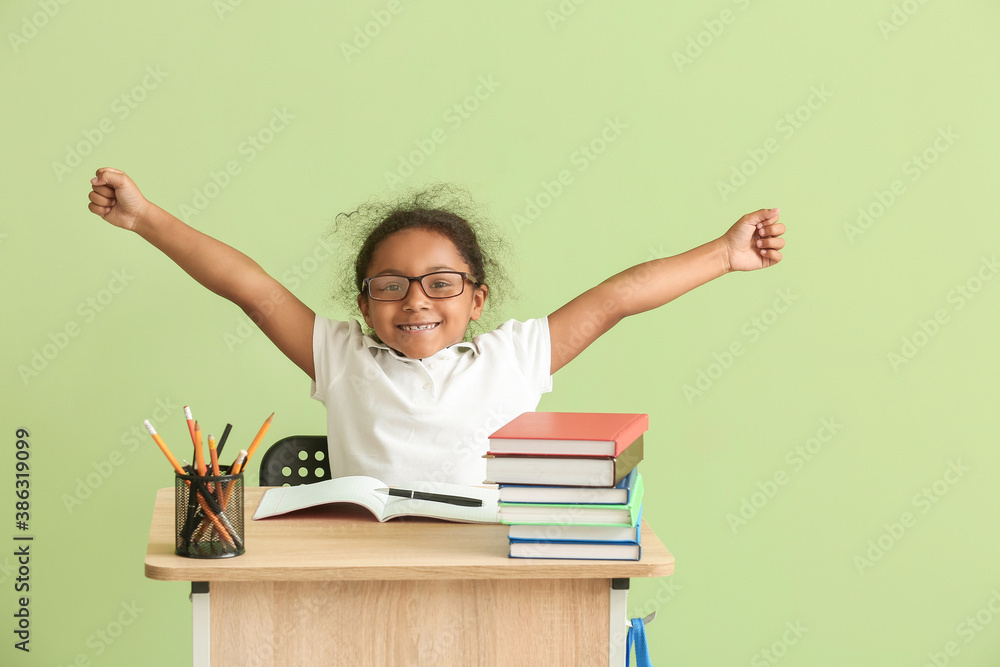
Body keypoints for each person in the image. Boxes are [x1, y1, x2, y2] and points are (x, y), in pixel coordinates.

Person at [87, 167, 786, 485]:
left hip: (487, 569)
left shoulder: (513, 358)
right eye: (390, 286)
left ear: (476, 298)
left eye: (441, 284)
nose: (415, 301)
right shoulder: (341, 355)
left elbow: (615, 298)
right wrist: (147, 218)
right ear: (364, 304)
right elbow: (254, 290)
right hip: (366, 573)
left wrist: (722, 254)